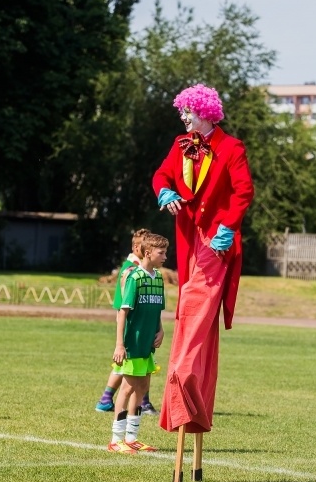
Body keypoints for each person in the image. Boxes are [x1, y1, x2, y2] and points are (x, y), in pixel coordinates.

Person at [153, 83, 254, 437]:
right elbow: (161, 174)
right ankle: (185, 388)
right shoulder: (181, 144)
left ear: (206, 113)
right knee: (189, 306)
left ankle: (182, 375)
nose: (183, 118)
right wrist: (164, 191)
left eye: (188, 112)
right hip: (189, 239)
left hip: (216, 240)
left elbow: (244, 191)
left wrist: (228, 227)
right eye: (182, 112)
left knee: (195, 303)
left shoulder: (231, 147)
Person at [107, 233, 168, 453]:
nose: (165, 257)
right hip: (132, 343)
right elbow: (122, 312)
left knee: (142, 388)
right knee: (127, 388)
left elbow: (157, 309)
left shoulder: (158, 278)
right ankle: (116, 440)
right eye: (162, 253)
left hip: (147, 344)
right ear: (148, 253)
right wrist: (119, 344)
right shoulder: (135, 277)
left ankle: (132, 438)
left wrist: (161, 330)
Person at [95, 228, 160, 416]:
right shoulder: (132, 269)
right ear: (137, 247)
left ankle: (108, 399)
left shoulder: (147, 271)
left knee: (131, 365)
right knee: (129, 365)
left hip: (139, 322)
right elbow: (126, 303)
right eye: (143, 244)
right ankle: (137, 404)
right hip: (131, 322)